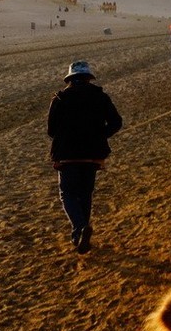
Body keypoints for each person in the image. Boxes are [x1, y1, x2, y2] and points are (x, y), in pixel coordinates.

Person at [46, 60, 123, 253]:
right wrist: (100, 135)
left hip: (67, 155)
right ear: (88, 78)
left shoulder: (60, 98)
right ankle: (80, 233)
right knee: (85, 193)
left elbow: (51, 130)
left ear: (69, 79)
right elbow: (116, 122)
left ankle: (80, 229)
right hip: (92, 154)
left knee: (68, 194)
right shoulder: (100, 96)